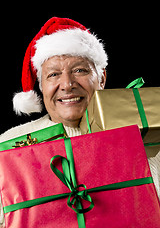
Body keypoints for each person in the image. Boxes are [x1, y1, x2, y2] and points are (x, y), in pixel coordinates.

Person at [0, 17, 159, 227]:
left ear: (101, 77)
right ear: (41, 86)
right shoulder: (10, 144)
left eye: (79, 70)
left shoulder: (146, 137)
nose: (67, 84)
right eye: (53, 74)